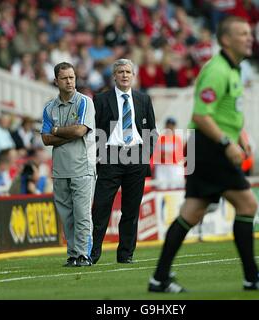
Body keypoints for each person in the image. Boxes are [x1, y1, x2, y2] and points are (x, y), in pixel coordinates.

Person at [148, 16, 259, 293]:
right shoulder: (218, 71)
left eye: (249, 33)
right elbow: (201, 115)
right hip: (209, 147)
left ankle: (159, 278)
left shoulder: (234, 70)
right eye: (242, 34)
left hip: (208, 146)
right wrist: (226, 143)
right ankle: (252, 277)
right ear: (225, 40)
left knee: (192, 211)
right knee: (247, 205)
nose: (249, 37)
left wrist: (240, 140)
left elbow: (226, 114)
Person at [91, 59, 158, 264]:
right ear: (114, 76)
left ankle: (126, 254)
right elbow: (94, 131)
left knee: (131, 210)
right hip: (111, 157)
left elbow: (151, 131)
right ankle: (92, 254)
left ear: (133, 75)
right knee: (101, 207)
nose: (124, 75)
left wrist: (144, 155)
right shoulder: (101, 99)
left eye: (128, 71)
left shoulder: (143, 99)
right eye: (120, 72)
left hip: (136, 157)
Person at [41, 62, 96, 267]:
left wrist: (56, 131)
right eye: (65, 78)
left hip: (82, 166)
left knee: (82, 214)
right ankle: (73, 254)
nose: (70, 81)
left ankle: (84, 255)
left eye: (72, 77)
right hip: (60, 169)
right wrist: (66, 133)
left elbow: (80, 131)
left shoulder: (84, 102)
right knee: (67, 217)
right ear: (56, 81)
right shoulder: (49, 108)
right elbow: (45, 140)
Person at [153, 117, 185, 190]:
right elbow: (156, 153)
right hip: (162, 166)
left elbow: (180, 155)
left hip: (174, 167)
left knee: (174, 187)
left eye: (172, 125)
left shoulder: (178, 139)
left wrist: (169, 155)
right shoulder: (160, 138)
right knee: (161, 187)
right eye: (168, 125)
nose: (170, 127)